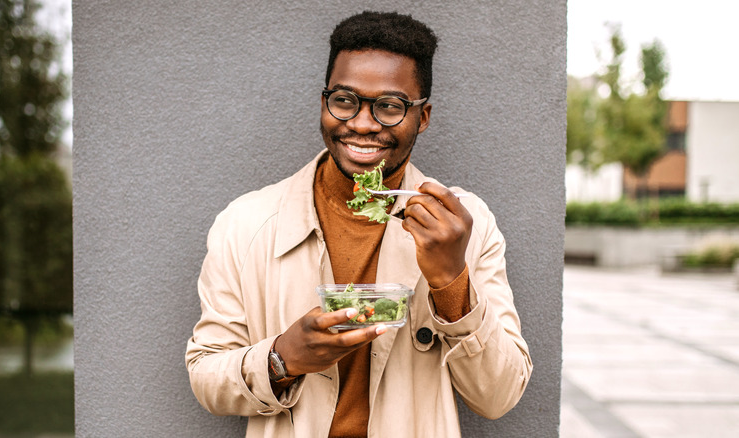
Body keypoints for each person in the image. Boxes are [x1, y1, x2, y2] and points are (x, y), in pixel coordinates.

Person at [186, 11, 532, 438]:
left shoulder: (465, 224)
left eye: (390, 106)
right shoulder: (245, 223)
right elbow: (206, 376)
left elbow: (498, 397)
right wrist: (282, 359)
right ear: (324, 102)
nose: (363, 124)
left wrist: (450, 279)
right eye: (345, 100)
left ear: (422, 118)